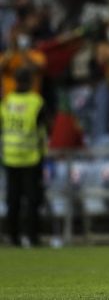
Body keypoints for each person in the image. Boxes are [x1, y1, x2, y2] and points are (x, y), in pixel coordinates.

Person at [1, 67, 46, 247]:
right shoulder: (36, 101)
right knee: (33, 200)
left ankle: (13, 238)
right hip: (31, 157)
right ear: (31, 81)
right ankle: (33, 238)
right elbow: (44, 127)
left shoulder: (7, 102)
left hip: (10, 157)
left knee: (13, 201)